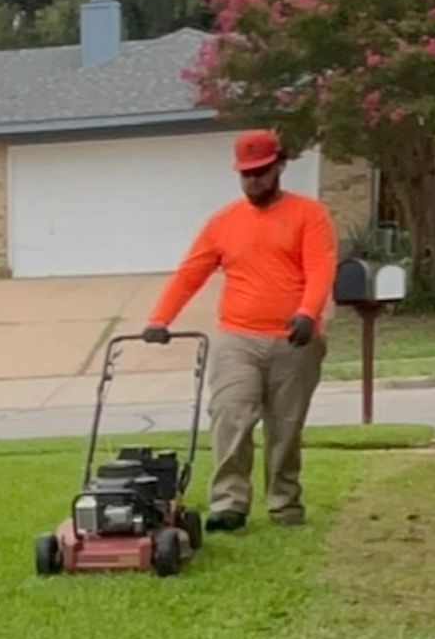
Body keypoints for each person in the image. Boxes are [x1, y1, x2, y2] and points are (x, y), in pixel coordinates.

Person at [141, 130, 337, 529]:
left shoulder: (309, 214)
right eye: (246, 174)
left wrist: (307, 311)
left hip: (295, 339)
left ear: (279, 166)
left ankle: (284, 505)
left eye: (262, 172)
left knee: (285, 427)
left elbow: (320, 268)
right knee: (231, 413)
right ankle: (229, 504)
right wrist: (159, 319)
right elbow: (189, 274)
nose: (254, 181)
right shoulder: (222, 223)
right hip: (238, 337)